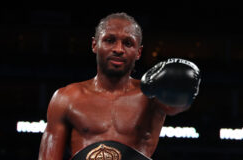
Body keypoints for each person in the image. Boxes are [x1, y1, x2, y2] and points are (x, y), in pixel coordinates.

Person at [38, 12, 201, 160]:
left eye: (128, 43)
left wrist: (181, 85)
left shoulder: (151, 96)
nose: (118, 49)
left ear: (138, 52)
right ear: (94, 45)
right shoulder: (66, 98)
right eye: (110, 40)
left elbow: (177, 105)